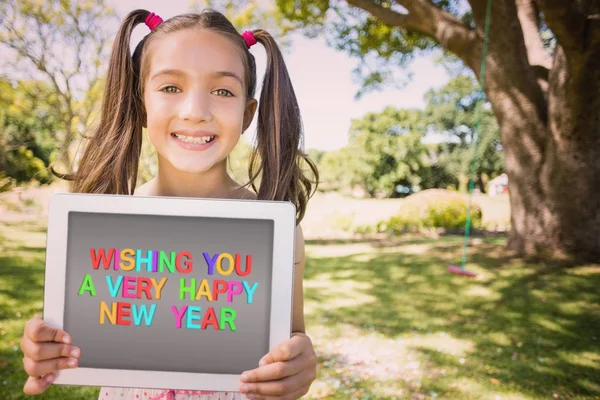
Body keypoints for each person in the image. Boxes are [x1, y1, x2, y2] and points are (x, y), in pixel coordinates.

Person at [19, 8, 319, 400]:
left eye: (223, 91)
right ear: (139, 102)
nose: (195, 111)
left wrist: (297, 364)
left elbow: (291, 337)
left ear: (247, 114)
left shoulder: (277, 232)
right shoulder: (100, 223)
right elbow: (71, 335)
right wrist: (45, 349)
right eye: (170, 87)